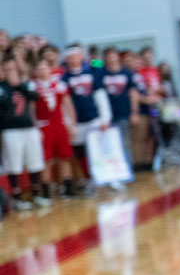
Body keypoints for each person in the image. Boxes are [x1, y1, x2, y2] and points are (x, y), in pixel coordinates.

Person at [0, 58, 50, 208]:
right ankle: (18, 197)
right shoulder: (2, 87)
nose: (11, 72)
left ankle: (37, 194)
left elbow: (35, 97)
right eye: (8, 70)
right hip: (10, 130)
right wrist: (10, 86)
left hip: (29, 127)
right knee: (14, 164)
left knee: (35, 161)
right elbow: (3, 103)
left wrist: (19, 85)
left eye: (13, 69)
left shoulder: (25, 84)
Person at [61, 46, 109, 195]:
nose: (74, 59)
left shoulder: (92, 72)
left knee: (98, 151)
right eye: (70, 56)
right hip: (77, 123)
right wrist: (69, 124)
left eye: (76, 55)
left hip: (93, 119)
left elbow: (101, 97)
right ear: (67, 59)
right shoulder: (64, 79)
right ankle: (88, 180)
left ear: (81, 57)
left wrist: (105, 118)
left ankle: (107, 178)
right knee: (80, 153)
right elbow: (64, 104)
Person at [33, 58, 77, 199]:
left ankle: (68, 188)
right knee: (47, 160)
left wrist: (72, 125)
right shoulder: (33, 87)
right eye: (39, 68)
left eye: (44, 68)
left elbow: (68, 105)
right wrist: (35, 128)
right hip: (43, 126)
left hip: (59, 124)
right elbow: (31, 109)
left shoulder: (59, 84)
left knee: (65, 157)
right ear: (35, 71)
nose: (42, 71)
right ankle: (47, 192)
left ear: (49, 69)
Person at [100, 48, 145, 178]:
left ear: (117, 58)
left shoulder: (126, 73)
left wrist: (134, 112)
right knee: (110, 145)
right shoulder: (101, 73)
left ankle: (126, 171)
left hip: (124, 113)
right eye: (108, 57)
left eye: (113, 56)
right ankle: (113, 173)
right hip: (108, 116)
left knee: (124, 144)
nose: (111, 59)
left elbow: (133, 93)